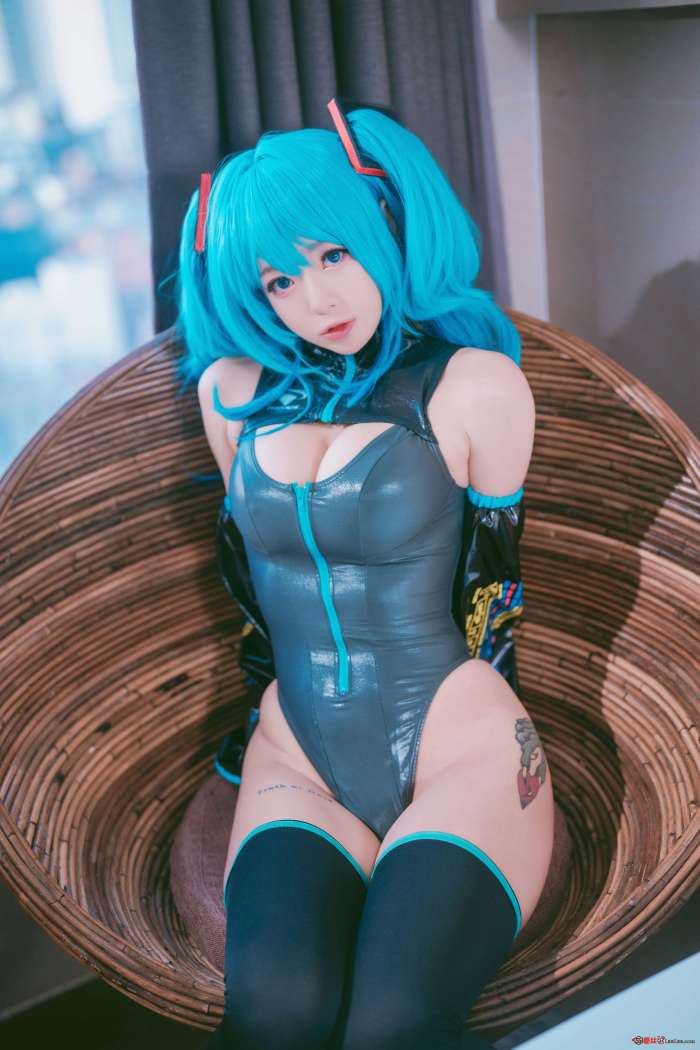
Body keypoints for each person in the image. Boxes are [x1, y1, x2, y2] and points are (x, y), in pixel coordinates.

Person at [175, 98, 555, 1050]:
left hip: (459, 742)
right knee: (274, 1016)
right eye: (279, 280)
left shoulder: (476, 386)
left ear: (382, 223)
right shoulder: (229, 395)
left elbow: (493, 590)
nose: (318, 299)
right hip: (298, 750)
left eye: (334, 253)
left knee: (393, 1026)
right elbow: (254, 587)